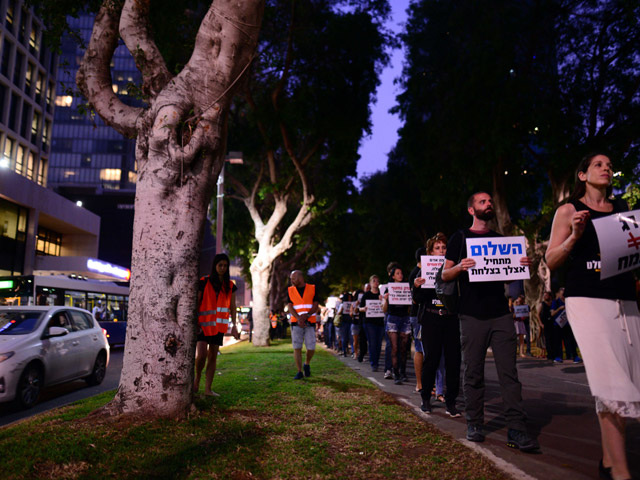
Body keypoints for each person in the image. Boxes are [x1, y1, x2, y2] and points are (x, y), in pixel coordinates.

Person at [546, 152, 640, 480]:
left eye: (610, 165)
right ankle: (622, 473)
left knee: (625, 381)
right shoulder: (569, 210)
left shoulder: (625, 212)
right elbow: (551, 260)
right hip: (587, 301)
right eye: (599, 164)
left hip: (626, 302)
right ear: (583, 175)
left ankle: (608, 462)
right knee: (611, 382)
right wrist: (573, 235)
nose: (607, 168)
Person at [442, 191, 538, 451]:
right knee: (473, 371)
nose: (489, 204)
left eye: (490, 201)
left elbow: (506, 277)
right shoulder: (459, 238)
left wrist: (521, 265)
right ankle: (475, 422)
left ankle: (516, 428)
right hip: (471, 315)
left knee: (509, 374)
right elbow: (445, 274)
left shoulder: (500, 241)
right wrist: (460, 267)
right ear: (472, 209)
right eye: (482, 202)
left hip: (501, 314)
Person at [413, 232, 462, 417]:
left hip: (451, 319)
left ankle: (451, 402)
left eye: (444, 248)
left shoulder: (454, 269)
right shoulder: (423, 271)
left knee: (453, 361)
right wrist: (417, 287)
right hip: (431, 319)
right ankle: (426, 398)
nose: (441, 251)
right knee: (431, 360)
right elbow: (417, 300)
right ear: (430, 253)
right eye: (437, 248)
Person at [194, 253, 237, 397]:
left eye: (225, 266)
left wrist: (235, 325)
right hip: (203, 325)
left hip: (218, 327)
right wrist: (194, 322)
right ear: (215, 266)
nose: (223, 268)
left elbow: (232, 306)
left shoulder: (230, 286)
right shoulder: (204, 281)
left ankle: (208, 389)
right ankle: (196, 381)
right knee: (201, 355)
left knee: (213, 357)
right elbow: (197, 302)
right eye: (220, 265)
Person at [287, 270, 320, 380]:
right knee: (297, 347)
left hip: (309, 322)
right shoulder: (290, 290)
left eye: (294, 278)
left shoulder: (312, 288)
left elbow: (316, 304)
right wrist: (298, 318)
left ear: (300, 278)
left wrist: (307, 315)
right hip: (296, 323)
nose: (292, 280)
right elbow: (290, 306)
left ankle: (307, 363)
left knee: (311, 347)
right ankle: (299, 371)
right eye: (291, 278)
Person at [382, 265, 411, 385]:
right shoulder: (388, 289)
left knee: (404, 348)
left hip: (404, 319)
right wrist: (386, 300)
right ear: (393, 276)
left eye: (401, 273)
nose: (400, 275)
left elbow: (410, 306)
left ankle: (403, 371)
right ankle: (396, 374)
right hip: (393, 319)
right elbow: (384, 309)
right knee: (394, 347)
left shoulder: (407, 287)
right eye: (398, 273)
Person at [409, 248, 426, 394]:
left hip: (426, 314)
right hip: (417, 316)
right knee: (420, 349)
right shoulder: (415, 273)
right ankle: (420, 383)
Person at [359, 275, 384, 372]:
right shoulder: (366, 295)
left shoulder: (381, 295)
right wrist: (364, 309)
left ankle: (376, 361)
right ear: (370, 283)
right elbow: (360, 308)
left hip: (380, 322)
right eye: (374, 281)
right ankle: (374, 363)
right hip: (369, 323)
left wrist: (383, 300)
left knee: (378, 344)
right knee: (372, 343)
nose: (376, 283)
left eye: (377, 281)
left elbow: (385, 307)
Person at [550, 287, 581, 364]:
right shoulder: (555, 302)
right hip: (558, 325)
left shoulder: (569, 302)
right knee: (558, 342)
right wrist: (559, 309)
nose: (563, 295)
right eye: (562, 293)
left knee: (571, 341)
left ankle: (574, 356)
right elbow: (552, 313)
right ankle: (558, 357)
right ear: (559, 294)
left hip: (568, 325)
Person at [538, 291, 554, 360]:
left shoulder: (553, 303)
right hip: (545, 323)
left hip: (552, 323)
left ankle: (554, 353)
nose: (544, 297)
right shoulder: (542, 304)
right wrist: (541, 323)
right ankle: (549, 355)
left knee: (553, 339)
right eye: (544, 295)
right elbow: (537, 314)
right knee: (547, 339)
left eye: (546, 295)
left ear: (550, 296)